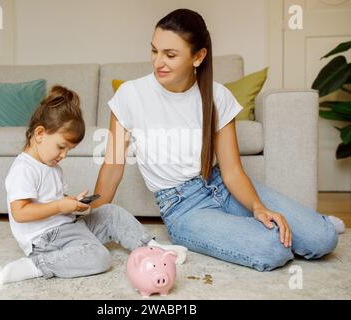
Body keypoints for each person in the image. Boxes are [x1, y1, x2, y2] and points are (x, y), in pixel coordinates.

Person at [90, 8, 345, 272]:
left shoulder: (217, 96)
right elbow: (112, 168)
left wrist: (257, 207)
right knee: (272, 248)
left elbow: (232, 171)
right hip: (183, 208)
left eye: (170, 55)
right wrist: (91, 222)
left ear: (198, 56)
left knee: (322, 239)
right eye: (154, 51)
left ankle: (311, 225)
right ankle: (269, 231)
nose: (158, 62)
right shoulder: (131, 95)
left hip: (221, 185)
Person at [0, 85, 187, 287]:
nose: (64, 155)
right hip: (46, 239)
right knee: (99, 257)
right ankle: (37, 265)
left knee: (110, 212)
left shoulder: (50, 164)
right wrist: (60, 206)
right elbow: (20, 213)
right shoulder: (24, 168)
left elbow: (50, 197)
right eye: (61, 146)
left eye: (69, 149)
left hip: (67, 225)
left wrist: (73, 203)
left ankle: (151, 247)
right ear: (40, 133)